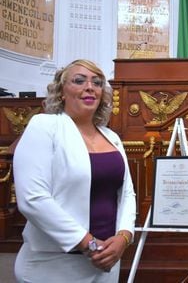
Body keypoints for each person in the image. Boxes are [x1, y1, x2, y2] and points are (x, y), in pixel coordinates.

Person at [13, 59, 136, 282]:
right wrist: (88, 243)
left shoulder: (111, 137)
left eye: (97, 83)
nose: (89, 87)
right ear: (61, 92)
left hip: (107, 262)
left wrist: (124, 237)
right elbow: (33, 198)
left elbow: (127, 194)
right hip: (54, 264)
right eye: (79, 81)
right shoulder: (44, 127)